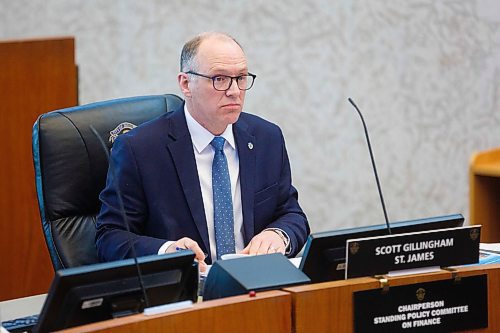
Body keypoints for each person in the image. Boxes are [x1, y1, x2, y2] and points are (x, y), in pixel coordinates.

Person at [96, 32, 309, 270]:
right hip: (185, 292)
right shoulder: (140, 149)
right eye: (219, 79)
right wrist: (169, 252)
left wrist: (278, 234)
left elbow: (292, 214)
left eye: (240, 78)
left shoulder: (266, 138)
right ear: (186, 84)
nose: (234, 91)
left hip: (255, 286)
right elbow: (110, 237)